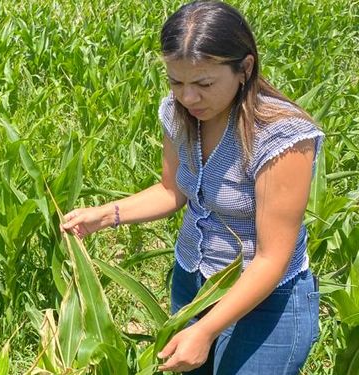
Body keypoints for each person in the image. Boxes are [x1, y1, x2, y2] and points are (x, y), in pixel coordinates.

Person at [61, 1, 322, 374]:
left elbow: (271, 259)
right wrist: (104, 215)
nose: (188, 97)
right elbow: (172, 191)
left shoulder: (282, 137)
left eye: (203, 83)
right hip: (194, 284)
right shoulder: (178, 113)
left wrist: (207, 331)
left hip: (267, 301)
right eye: (176, 81)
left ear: (245, 69)